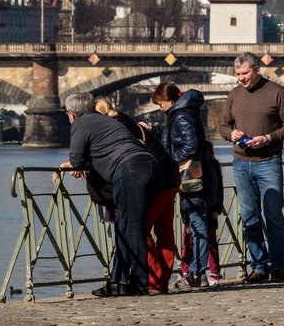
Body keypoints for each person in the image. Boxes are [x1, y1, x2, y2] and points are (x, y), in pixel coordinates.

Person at [60, 91, 162, 297]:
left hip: (130, 169)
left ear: (71, 114)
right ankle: (118, 282)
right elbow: (105, 148)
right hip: (150, 166)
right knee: (125, 227)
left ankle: (140, 283)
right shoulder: (106, 121)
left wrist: (74, 165)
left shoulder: (81, 123)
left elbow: (77, 159)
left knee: (132, 228)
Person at [218, 52, 284, 283]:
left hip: (269, 162)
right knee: (248, 216)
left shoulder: (277, 92)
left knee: (273, 216)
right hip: (241, 163)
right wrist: (230, 134)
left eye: (245, 74)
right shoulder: (234, 95)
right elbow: (224, 126)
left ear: (256, 69)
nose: (241, 78)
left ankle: (278, 267)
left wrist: (268, 138)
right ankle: (258, 267)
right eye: (238, 75)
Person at [94, 97, 179, 295]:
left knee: (137, 229)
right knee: (164, 233)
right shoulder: (125, 120)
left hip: (155, 180)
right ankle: (161, 281)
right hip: (171, 176)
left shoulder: (110, 128)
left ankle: (153, 280)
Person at [153, 82, 222, 288]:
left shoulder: (182, 115)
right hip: (195, 175)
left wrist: (170, 160)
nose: (160, 107)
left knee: (198, 226)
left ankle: (195, 273)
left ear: (170, 100)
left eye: (161, 103)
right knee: (196, 225)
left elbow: (190, 146)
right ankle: (197, 273)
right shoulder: (182, 113)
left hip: (192, 177)